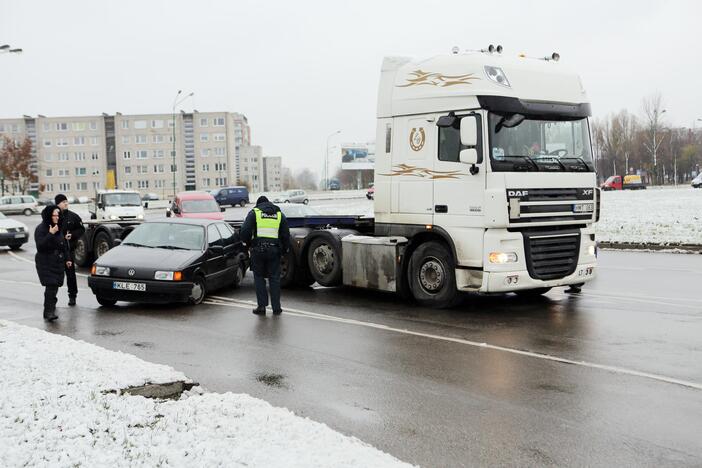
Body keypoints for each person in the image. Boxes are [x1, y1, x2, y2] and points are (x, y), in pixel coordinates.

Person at [240, 196, 291, 316]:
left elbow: (245, 231)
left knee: (259, 277)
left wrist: (247, 244)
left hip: (258, 250)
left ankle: (261, 307)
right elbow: (285, 235)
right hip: (274, 250)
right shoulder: (279, 214)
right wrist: (284, 250)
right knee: (274, 278)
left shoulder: (255, 213)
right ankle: (276, 308)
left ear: (258, 204)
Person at [35, 205, 71, 321]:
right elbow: (40, 247)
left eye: (58, 215)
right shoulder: (41, 229)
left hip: (58, 262)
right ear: (48, 216)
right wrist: (50, 234)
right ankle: (49, 312)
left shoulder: (58, 228)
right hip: (45, 262)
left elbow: (63, 245)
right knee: (51, 286)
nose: (57, 217)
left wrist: (68, 259)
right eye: (54, 215)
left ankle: (50, 310)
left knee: (54, 287)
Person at [55, 193, 85, 306]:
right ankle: (53, 297)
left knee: (71, 275)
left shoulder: (73, 216)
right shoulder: (54, 216)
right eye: (63, 202)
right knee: (56, 275)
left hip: (69, 250)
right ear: (57, 204)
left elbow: (81, 229)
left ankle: (72, 296)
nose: (66, 203)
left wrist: (72, 235)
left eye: (66, 201)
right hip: (56, 251)